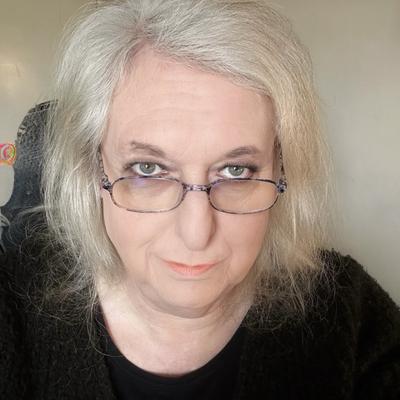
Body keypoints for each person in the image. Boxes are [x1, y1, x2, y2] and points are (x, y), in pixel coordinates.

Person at [1, 0, 399, 399]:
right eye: (148, 169)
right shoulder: (12, 307)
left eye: (236, 171)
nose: (196, 234)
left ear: (281, 169)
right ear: (93, 168)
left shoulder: (350, 316)